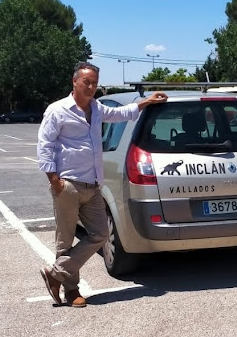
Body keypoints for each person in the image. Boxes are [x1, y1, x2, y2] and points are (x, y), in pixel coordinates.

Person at [37, 61, 167, 307]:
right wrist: (54, 180)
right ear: (74, 81)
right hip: (68, 184)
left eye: (94, 83)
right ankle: (71, 291)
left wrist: (146, 101)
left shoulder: (97, 108)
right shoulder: (57, 110)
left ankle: (55, 272)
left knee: (100, 234)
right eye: (86, 82)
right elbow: (45, 145)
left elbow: (121, 114)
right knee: (65, 241)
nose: (91, 86)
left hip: (93, 184)